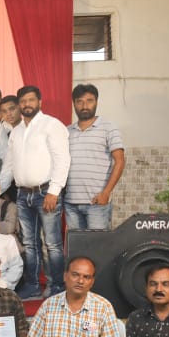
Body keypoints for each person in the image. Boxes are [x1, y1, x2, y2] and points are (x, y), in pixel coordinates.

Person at [0, 86, 70, 299]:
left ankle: (57, 286)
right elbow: (9, 165)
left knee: (52, 243)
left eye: (31, 100)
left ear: (39, 102)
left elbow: (62, 160)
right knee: (30, 243)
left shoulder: (52, 125)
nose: (27, 104)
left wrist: (54, 192)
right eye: (23, 101)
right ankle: (33, 285)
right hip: (23, 194)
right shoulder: (17, 131)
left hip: (46, 192)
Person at [65, 83, 126, 231]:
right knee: (77, 245)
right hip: (71, 204)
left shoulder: (108, 127)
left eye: (89, 101)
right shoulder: (66, 131)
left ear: (96, 102)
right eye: (80, 101)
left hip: (97, 203)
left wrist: (106, 193)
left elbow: (120, 161)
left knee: (98, 244)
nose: (84, 106)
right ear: (74, 104)